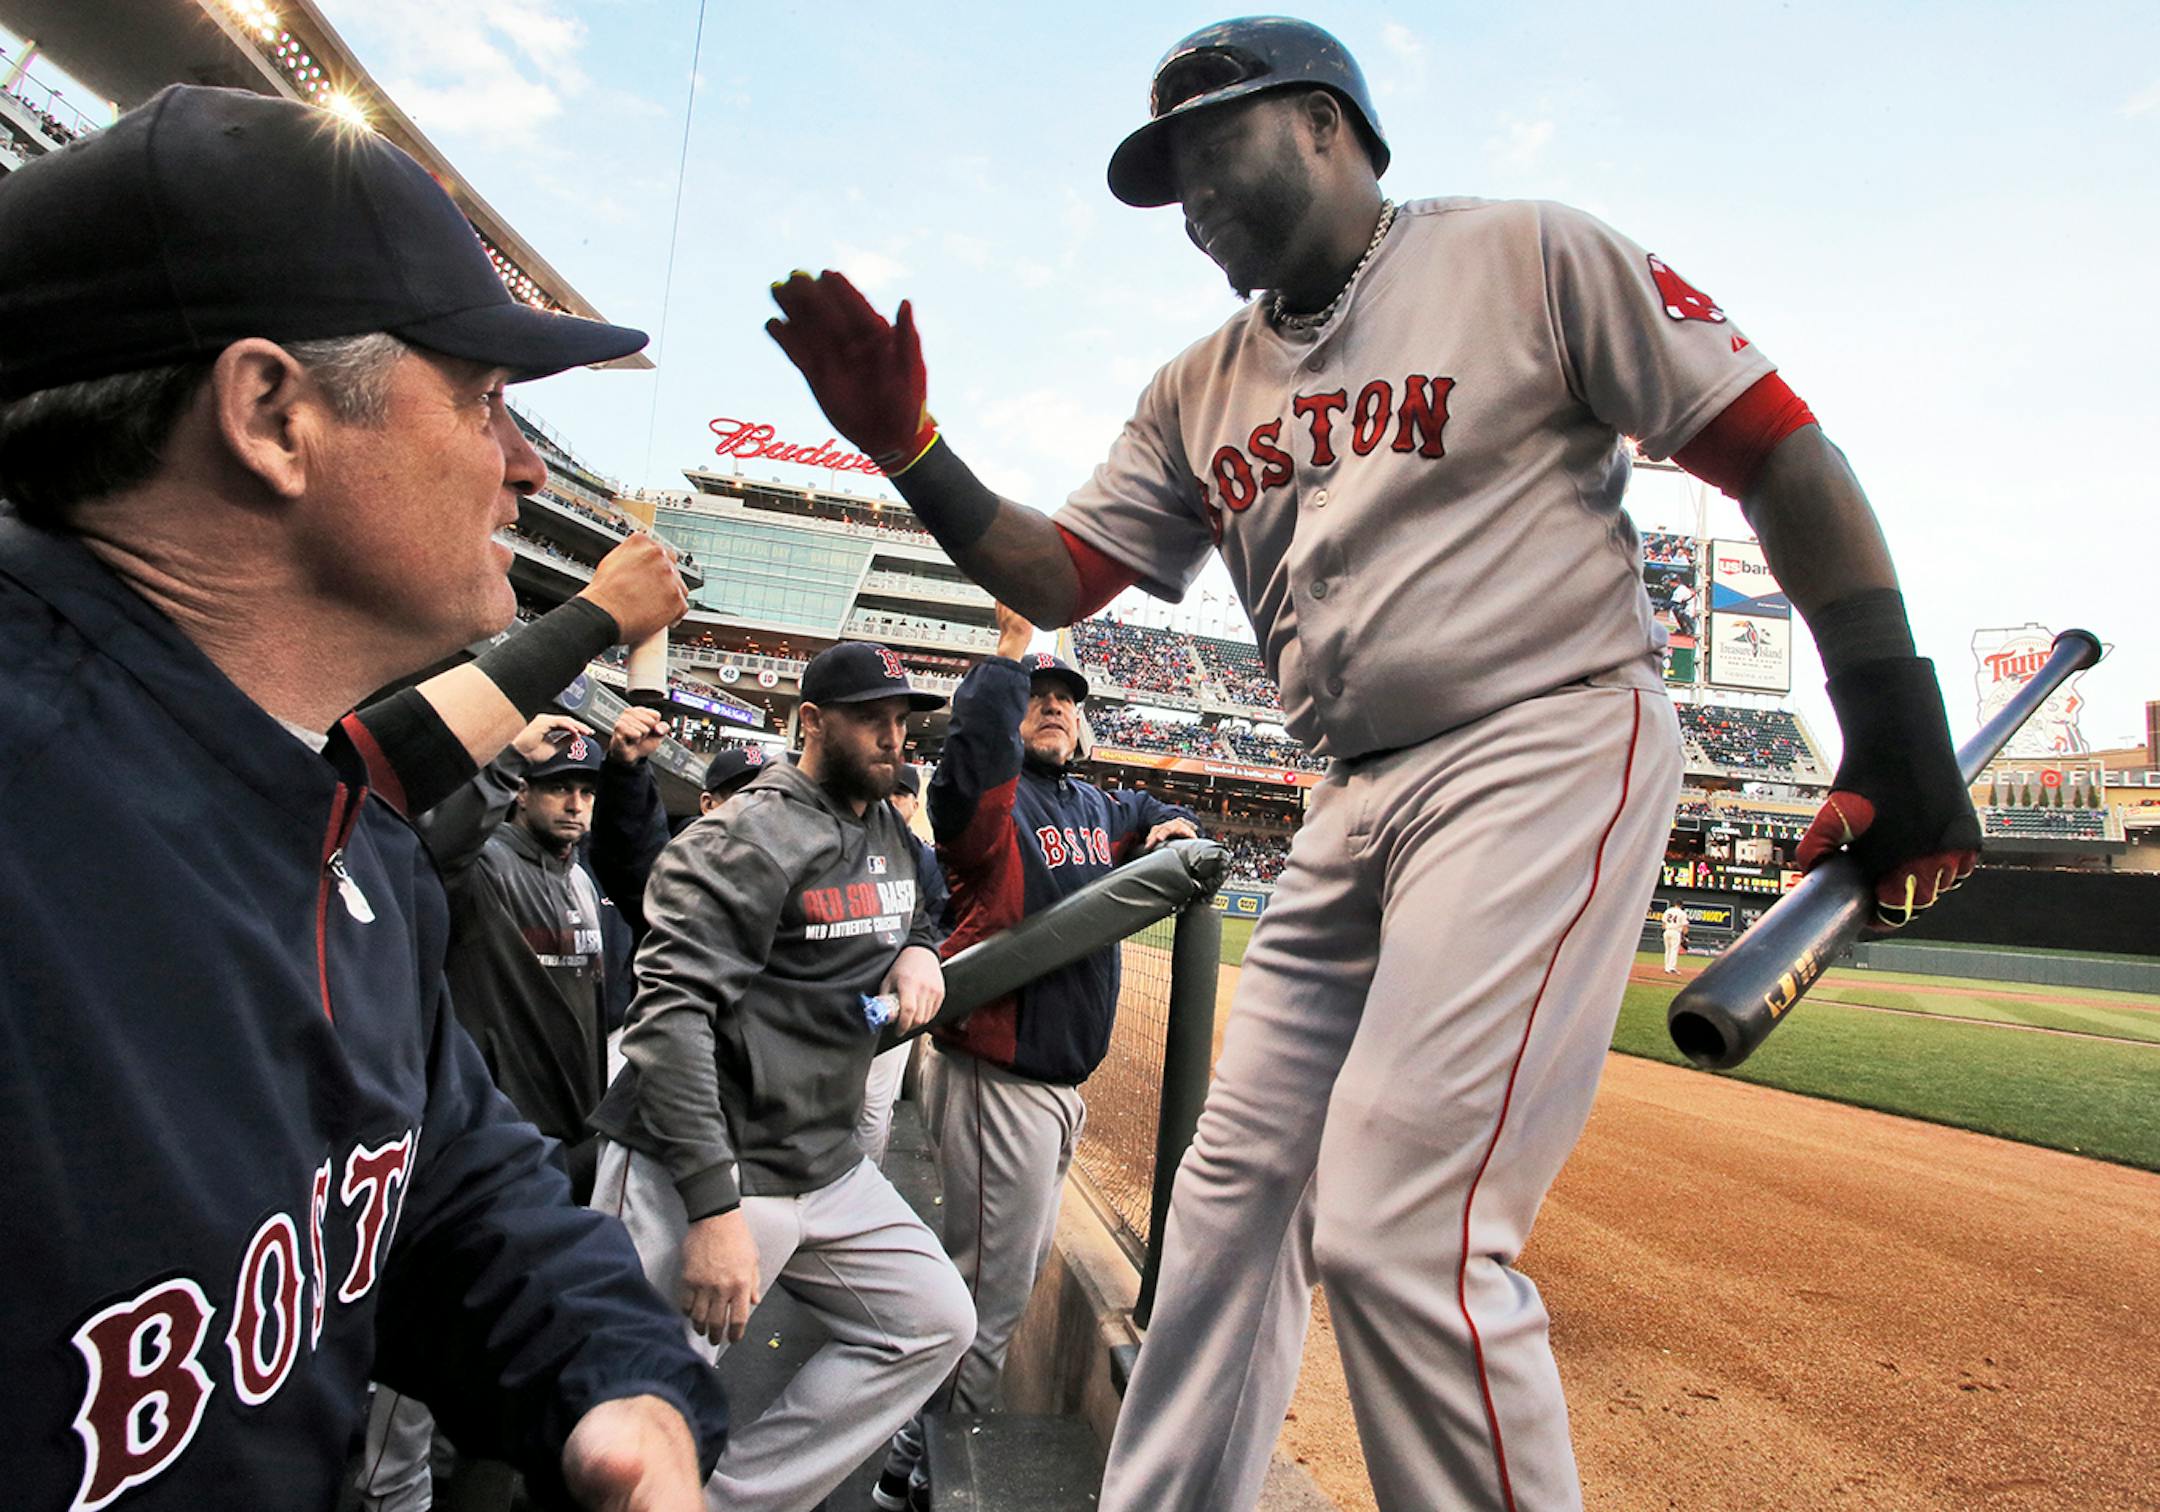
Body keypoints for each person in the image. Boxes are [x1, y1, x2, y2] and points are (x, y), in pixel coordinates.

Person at [765, 17, 1979, 1509]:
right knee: (1225, 1211)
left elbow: (1780, 447)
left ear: (1331, 123)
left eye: (1210, 151)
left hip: (1543, 736)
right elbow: (1059, 570)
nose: (1191, 200)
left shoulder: (1526, 254)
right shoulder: (1195, 386)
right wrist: (912, 449)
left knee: (1408, 1225)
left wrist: (1894, 719)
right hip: (1350, 789)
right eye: (1169, 181)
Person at [0, 85, 725, 1511]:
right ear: (274, 413)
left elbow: (445, 1171)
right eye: (482, 397)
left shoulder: (329, 804)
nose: (524, 464)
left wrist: (616, 1376)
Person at [589, 643, 976, 1512]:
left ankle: (725, 1501)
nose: (894, 736)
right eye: (872, 718)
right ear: (811, 722)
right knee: (631, 1411)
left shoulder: (882, 822)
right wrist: (711, 1207)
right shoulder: (748, 832)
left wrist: (918, 946)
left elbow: (925, 899)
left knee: (932, 1321)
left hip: (820, 1159)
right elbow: (668, 1016)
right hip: (705, 1161)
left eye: (903, 720)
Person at [873, 606, 1197, 1511]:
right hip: (997, 1082)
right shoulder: (992, 804)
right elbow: (973, 753)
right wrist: (1008, 660)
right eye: (1037, 698)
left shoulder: (1095, 805)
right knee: (986, 1303)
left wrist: (1169, 822)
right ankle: (928, 1472)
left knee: (993, 1288)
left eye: (1066, 698)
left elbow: (1150, 811)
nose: (1051, 707)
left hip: (1057, 1088)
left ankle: (911, 1449)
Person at [856, 760, 950, 1169]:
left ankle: (858, 1202)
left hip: (891, 1001)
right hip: (837, 996)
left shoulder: (925, 860)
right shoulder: (848, 837)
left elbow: (940, 922)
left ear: (914, 804)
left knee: (874, 1108)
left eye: (901, 794)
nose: (891, 801)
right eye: (887, 791)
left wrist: (923, 950)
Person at [1661, 902, 1691, 973]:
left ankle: (1666, 968)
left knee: (1667, 950)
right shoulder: (1682, 913)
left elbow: (1663, 925)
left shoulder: (1668, 910)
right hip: (1675, 932)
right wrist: (1685, 936)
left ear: (1675, 904)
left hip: (1667, 931)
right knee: (1674, 950)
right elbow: (1685, 926)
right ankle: (1672, 968)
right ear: (1681, 905)